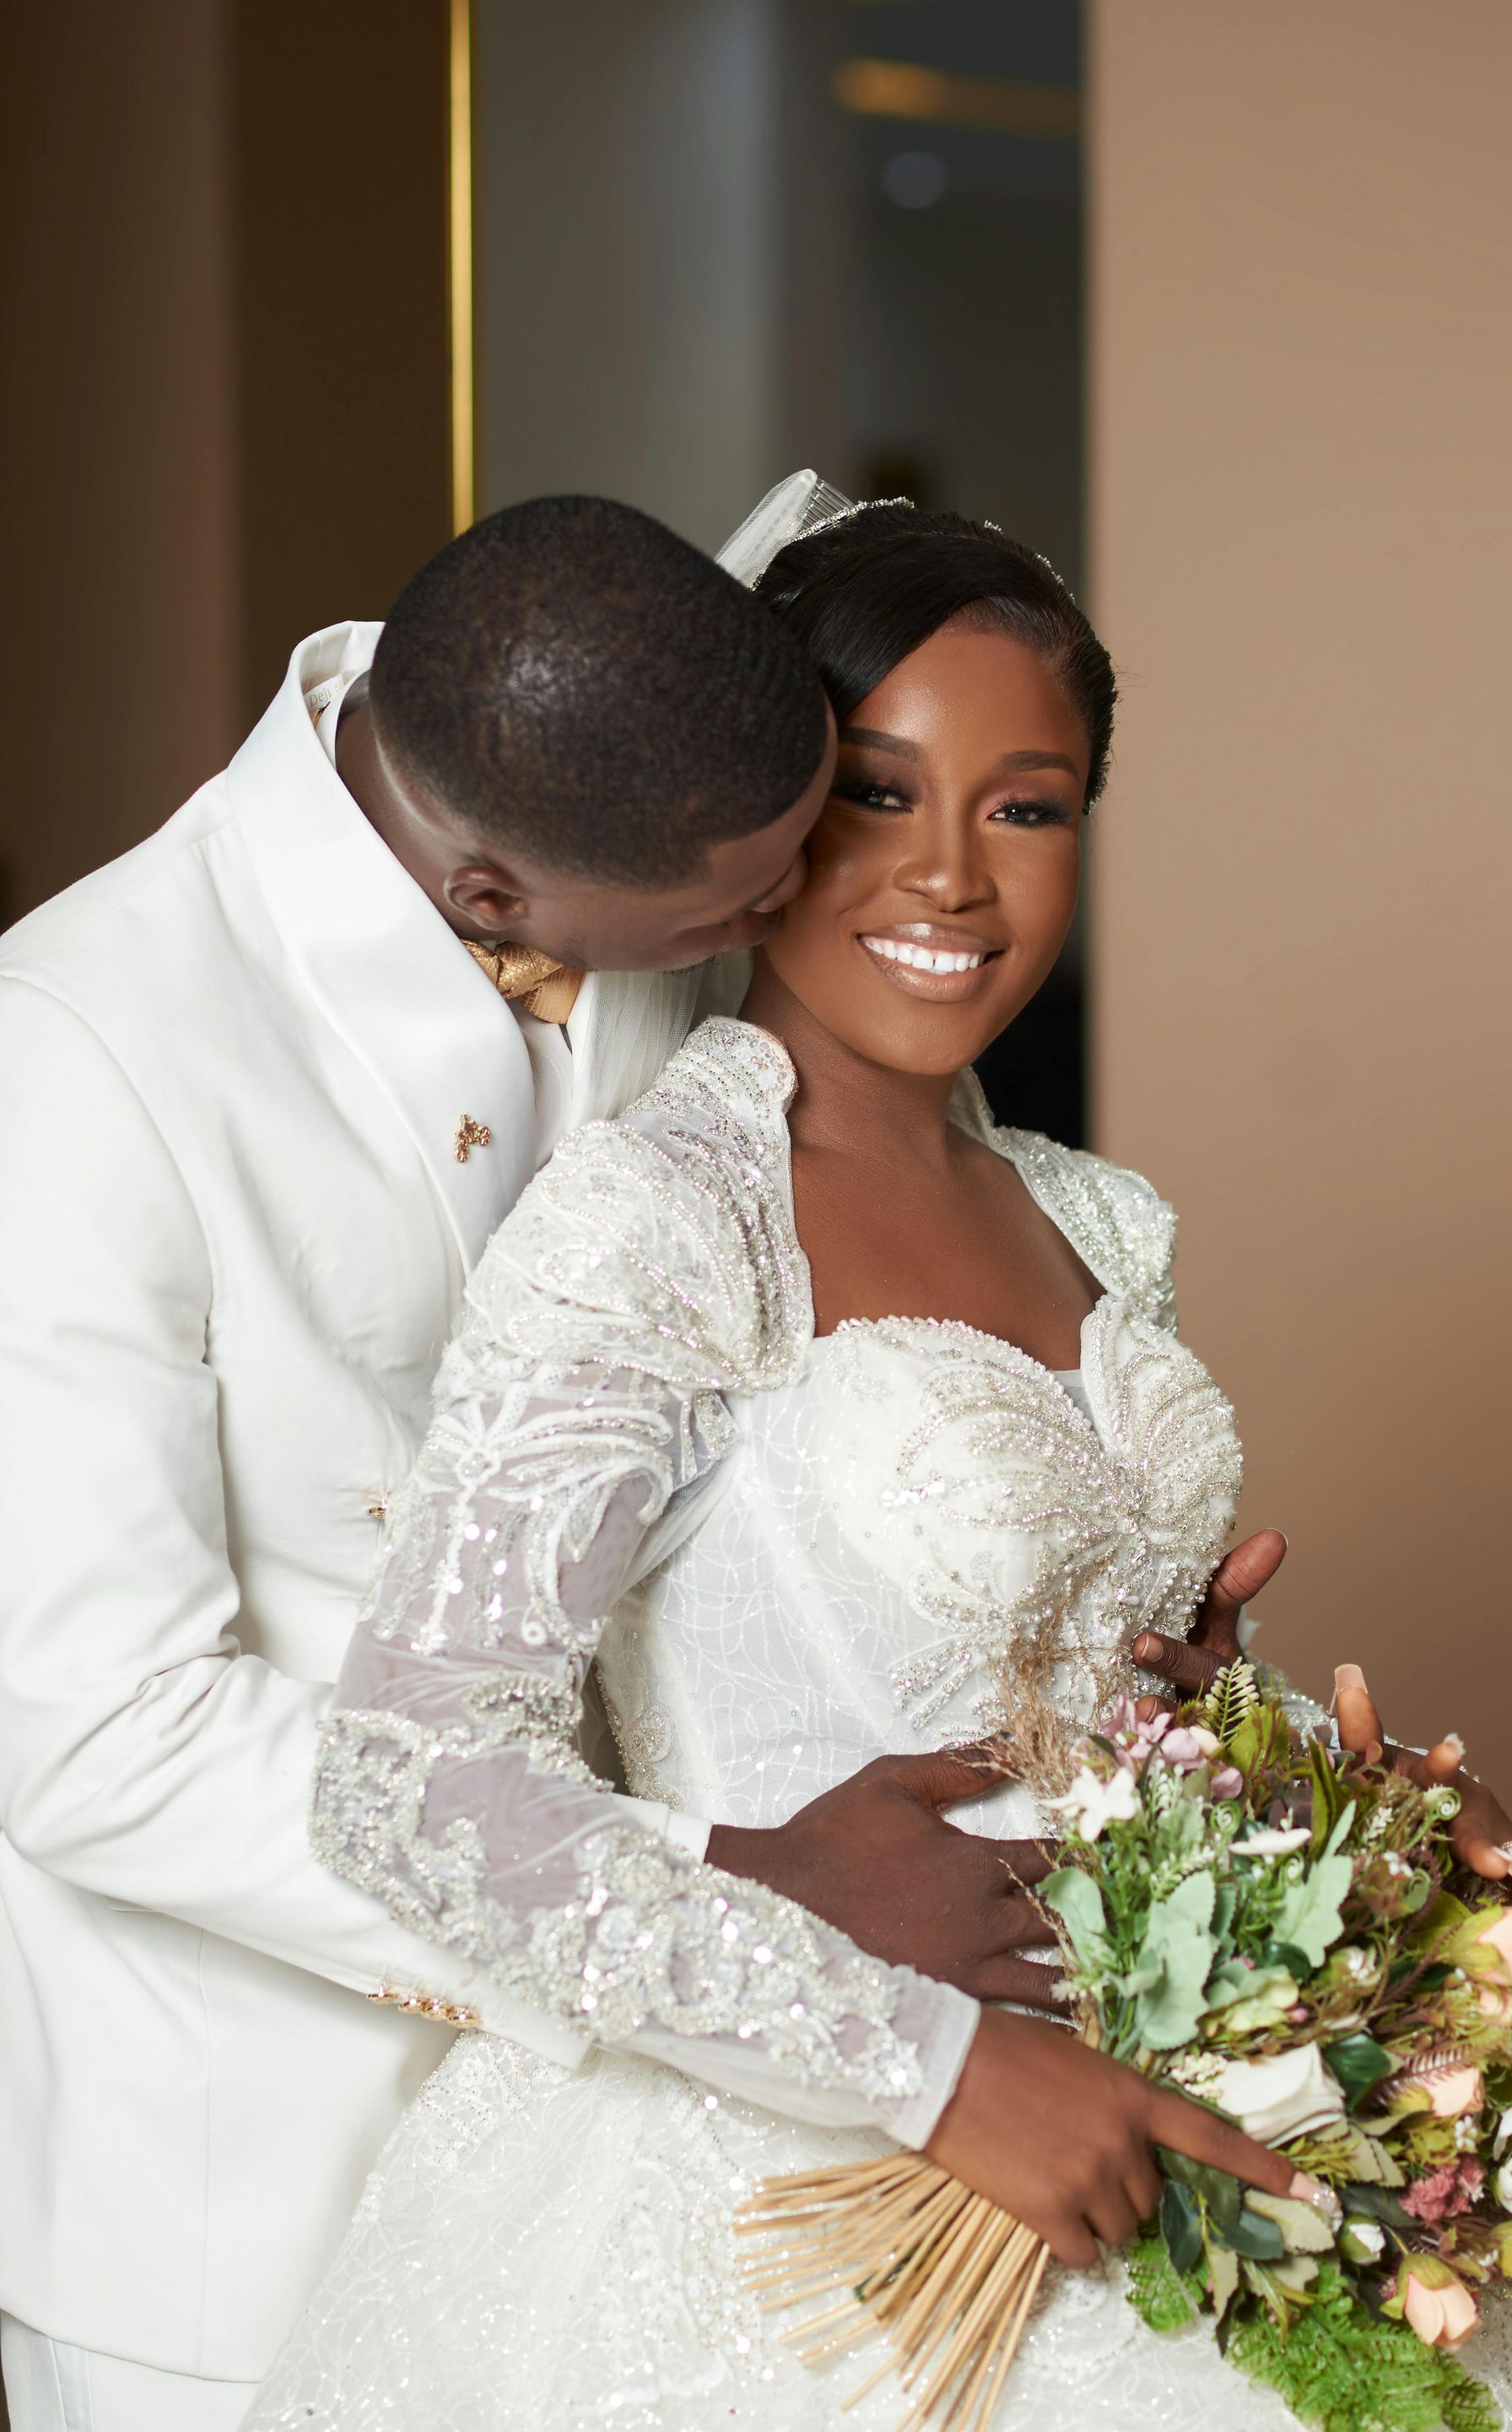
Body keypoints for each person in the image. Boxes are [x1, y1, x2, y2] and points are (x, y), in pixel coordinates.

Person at [246, 495, 1512, 2430]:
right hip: (797, 2171)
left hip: (1175, 2080)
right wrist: (935, 2067)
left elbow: (1106, 1702)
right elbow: (410, 1774)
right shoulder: (659, 1219)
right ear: (773, 824)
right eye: (882, 796)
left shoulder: (1095, 1218)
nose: (955, 877)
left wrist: (1347, 1828)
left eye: (1029, 805)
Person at [0, 495, 1153, 2432]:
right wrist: (736, 1890)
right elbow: (94, 1738)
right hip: (254, 2161)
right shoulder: (74, 1060)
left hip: (744, 2161)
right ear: (491, 897)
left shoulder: (616, 745)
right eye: (749, 906)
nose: (815, 909)